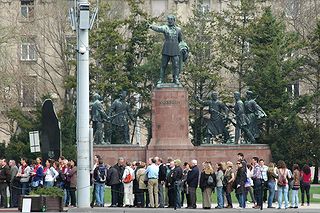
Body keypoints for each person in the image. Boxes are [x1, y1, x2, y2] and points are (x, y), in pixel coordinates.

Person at [149, 15, 183, 85]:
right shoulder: (165, 27)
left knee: (176, 65)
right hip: (166, 48)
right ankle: (161, 79)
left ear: (174, 20)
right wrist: (151, 26)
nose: (170, 21)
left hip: (175, 49)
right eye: (168, 20)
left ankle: (176, 78)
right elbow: (158, 28)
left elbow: (180, 40)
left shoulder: (178, 29)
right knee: (163, 65)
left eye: (171, 20)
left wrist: (183, 47)